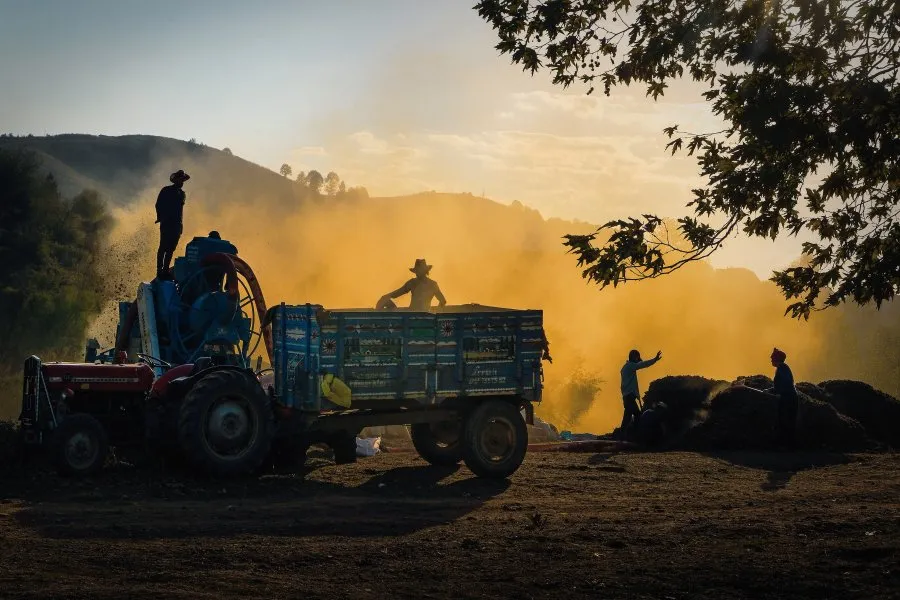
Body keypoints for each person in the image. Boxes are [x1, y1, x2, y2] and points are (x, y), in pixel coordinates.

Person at [155, 169, 190, 279]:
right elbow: (158, 205)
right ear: (176, 180)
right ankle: (160, 270)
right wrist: (160, 217)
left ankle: (165, 270)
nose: (182, 182)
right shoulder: (167, 190)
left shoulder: (182, 194)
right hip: (169, 223)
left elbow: (159, 204)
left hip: (176, 224)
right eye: (181, 180)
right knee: (163, 247)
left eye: (183, 180)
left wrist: (161, 217)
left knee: (170, 249)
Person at [619, 349, 662, 436]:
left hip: (627, 397)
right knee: (629, 417)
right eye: (637, 358)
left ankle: (629, 435)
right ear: (634, 357)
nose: (638, 360)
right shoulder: (630, 366)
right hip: (629, 397)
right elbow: (643, 364)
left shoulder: (625, 368)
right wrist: (654, 359)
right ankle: (623, 437)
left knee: (636, 415)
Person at [376, 259, 447, 311]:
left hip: (412, 316)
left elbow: (443, 301)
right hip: (420, 316)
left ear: (425, 271)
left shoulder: (416, 283)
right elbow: (396, 293)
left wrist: (435, 312)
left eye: (418, 271)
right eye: (416, 271)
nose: (416, 273)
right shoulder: (430, 284)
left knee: (384, 299)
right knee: (384, 299)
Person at [771, 347, 799, 448]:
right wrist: (771, 390)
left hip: (788, 399)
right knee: (784, 422)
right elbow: (779, 385)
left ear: (777, 359)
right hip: (787, 398)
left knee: (786, 422)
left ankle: (787, 447)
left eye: (772, 357)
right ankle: (786, 446)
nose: (770, 359)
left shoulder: (782, 368)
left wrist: (779, 393)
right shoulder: (782, 368)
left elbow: (786, 383)